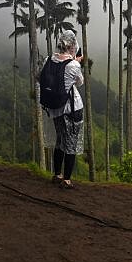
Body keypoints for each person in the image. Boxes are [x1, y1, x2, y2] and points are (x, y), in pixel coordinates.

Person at [47, 30, 85, 189]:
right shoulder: (74, 65)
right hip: (72, 108)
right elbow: (79, 82)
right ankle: (67, 179)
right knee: (71, 144)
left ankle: (57, 174)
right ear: (73, 46)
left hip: (56, 108)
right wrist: (76, 62)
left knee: (60, 141)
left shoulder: (48, 60)